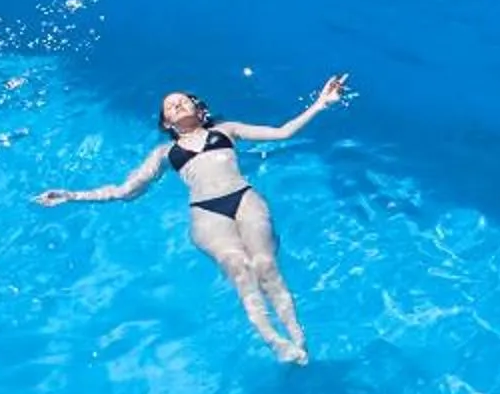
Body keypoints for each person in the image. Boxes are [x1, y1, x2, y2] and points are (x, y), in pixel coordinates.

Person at [37, 76, 348, 363]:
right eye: (169, 105)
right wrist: (72, 195)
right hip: (206, 212)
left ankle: (298, 336)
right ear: (167, 123)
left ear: (200, 110)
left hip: (243, 198)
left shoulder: (226, 131)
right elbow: (125, 191)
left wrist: (322, 103)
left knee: (265, 264)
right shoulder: (164, 154)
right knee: (239, 268)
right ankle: (274, 340)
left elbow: (282, 133)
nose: (176, 104)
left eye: (183, 100)